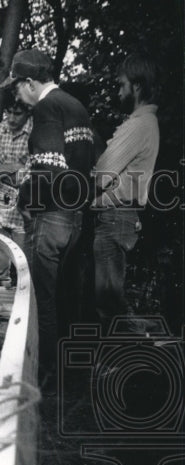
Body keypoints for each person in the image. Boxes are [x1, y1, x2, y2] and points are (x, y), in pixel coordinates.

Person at [6, 49, 96, 377]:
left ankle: (43, 374)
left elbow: (48, 168)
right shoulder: (76, 106)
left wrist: (25, 198)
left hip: (52, 214)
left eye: (16, 86)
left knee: (41, 298)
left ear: (29, 82)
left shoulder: (46, 109)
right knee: (67, 295)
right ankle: (70, 372)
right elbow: (83, 164)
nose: (16, 94)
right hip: (77, 216)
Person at [92, 54, 159, 327]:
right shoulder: (144, 124)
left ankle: (127, 360)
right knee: (110, 298)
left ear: (138, 87)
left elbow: (101, 173)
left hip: (114, 216)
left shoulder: (138, 125)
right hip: (119, 216)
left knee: (107, 300)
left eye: (122, 85)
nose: (118, 91)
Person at [0, 85, 32, 288]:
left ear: (28, 111)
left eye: (17, 113)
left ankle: (25, 317)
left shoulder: (35, 132)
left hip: (23, 212)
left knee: (25, 270)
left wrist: (0, 171)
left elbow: (29, 175)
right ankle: (2, 317)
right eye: (8, 112)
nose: (11, 118)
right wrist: (15, 168)